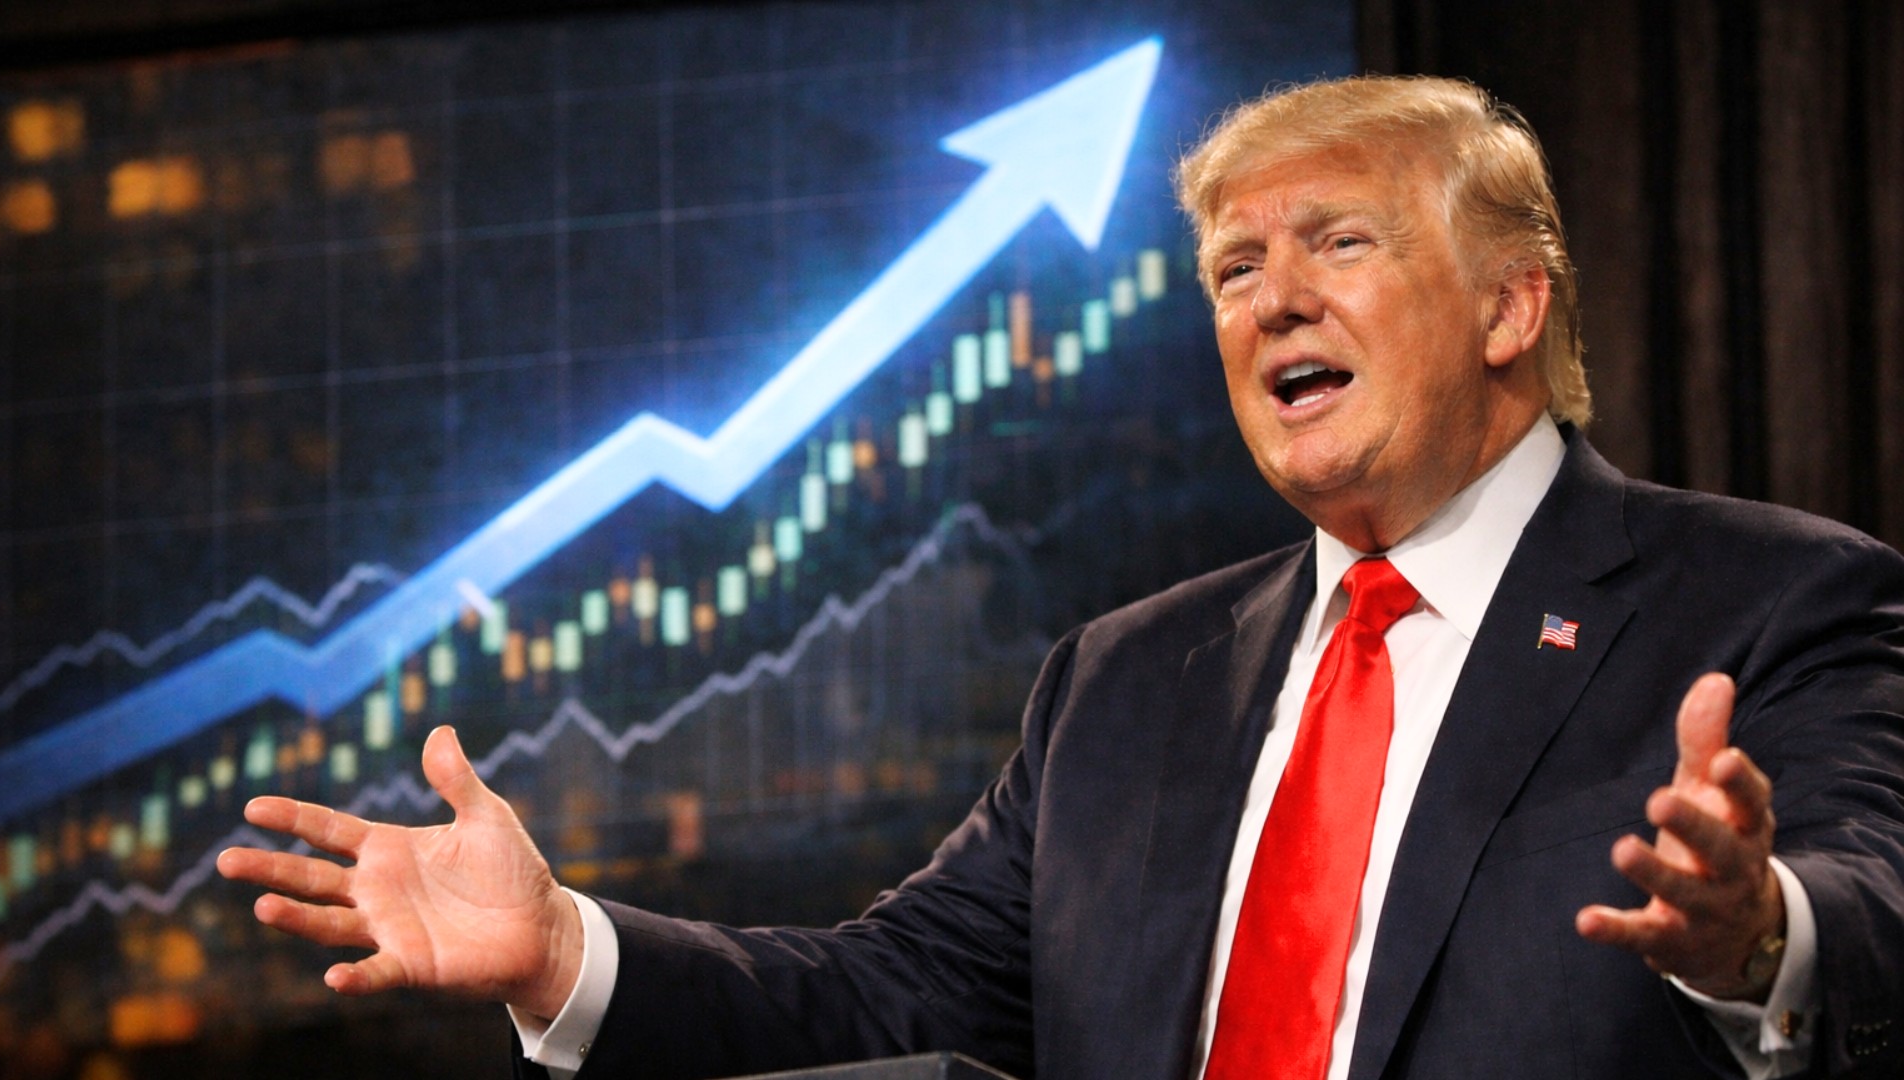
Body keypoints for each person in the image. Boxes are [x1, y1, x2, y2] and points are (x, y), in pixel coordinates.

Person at [217, 75, 1904, 1079]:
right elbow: (886, 991)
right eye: (1233, 268)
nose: (1272, 299)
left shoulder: (1771, 602)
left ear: (1510, 306)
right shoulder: (1122, 680)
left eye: (1340, 242)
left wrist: (1759, 937)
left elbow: (1875, 906)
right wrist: (563, 954)